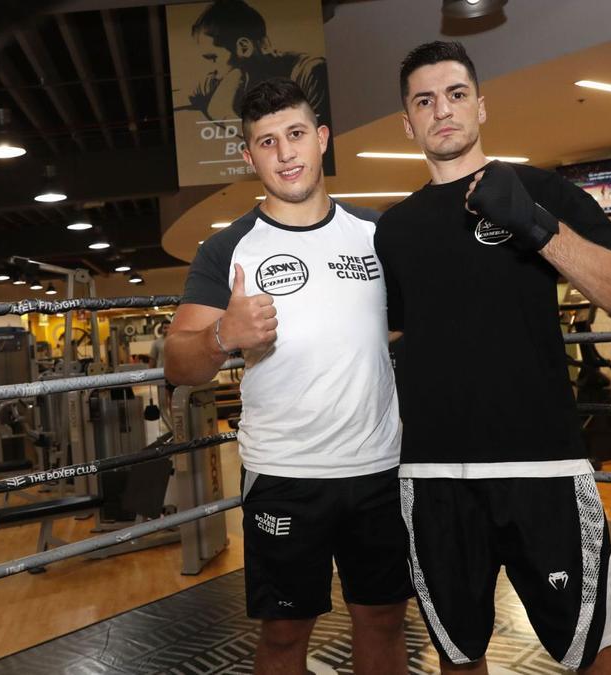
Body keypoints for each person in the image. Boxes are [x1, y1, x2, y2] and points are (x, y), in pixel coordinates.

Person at [375, 41, 611, 675]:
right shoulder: (394, 228)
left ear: (480, 105)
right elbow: (389, 341)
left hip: (546, 467)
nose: (441, 110)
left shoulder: (542, 189)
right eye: (424, 100)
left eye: (455, 94)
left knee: (595, 656)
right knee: (458, 657)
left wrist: (536, 224)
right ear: (408, 123)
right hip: (435, 478)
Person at [165, 77, 412, 675]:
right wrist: (225, 334)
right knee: (282, 634)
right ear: (249, 157)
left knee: (382, 620)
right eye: (267, 142)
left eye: (296, 134)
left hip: (377, 467)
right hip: (283, 474)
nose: (285, 153)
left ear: (322, 139)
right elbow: (177, 363)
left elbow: (410, 328)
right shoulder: (227, 250)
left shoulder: (379, 234)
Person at [182, 0, 329, 127]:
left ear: (244, 48)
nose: (210, 70)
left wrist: (224, 115)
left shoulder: (309, 72)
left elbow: (315, 142)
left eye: (213, 58)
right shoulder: (214, 81)